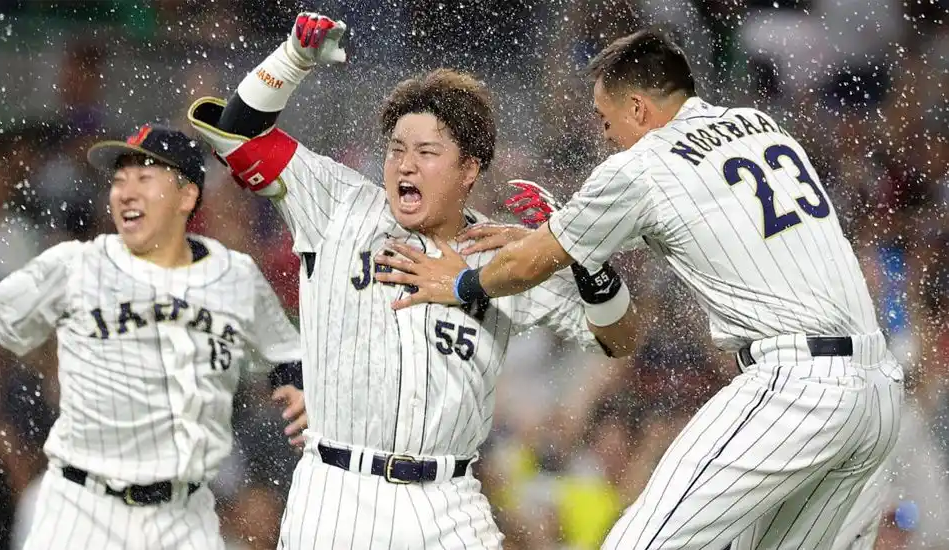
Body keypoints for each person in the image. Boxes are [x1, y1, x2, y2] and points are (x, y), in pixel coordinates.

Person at [379, 29, 904, 550]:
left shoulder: (643, 164)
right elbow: (690, 223)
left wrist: (462, 282)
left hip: (797, 386)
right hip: (876, 391)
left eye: (606, 119)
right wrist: (547, 239)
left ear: (637, 108)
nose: (605, 136)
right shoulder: (760, 125)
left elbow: (529, 265)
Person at [186, 12, 634, 549]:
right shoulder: (338, 205)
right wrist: (294, 57)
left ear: (469, 169)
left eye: (426, 153)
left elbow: (618, 337)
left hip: (448, 503)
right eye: (397, 149)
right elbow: (235, 132)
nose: (405, 165)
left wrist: (581, 254)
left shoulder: (506, 257)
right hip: (336, 493)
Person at [0, 124, 308, 550]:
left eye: (144, 178)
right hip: (85, 510)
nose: (125, 193)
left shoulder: (235, 276)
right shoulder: (77, 266)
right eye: (119, 180)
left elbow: (287, 355)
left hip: (182, 515)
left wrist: (296, 388)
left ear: (186, 196)